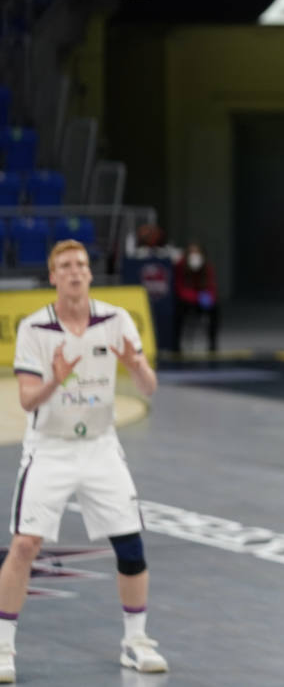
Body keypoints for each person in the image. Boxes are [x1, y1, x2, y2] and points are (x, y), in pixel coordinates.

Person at [0, 240, 167, 679]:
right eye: (65, 266)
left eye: (81, 265)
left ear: (90, 274)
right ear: (53, 277)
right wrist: (56, 379)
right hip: (50, 447)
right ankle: (3, 647)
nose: (75, 272)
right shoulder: (36, 329)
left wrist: (136, 367)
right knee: (23, 546)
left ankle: (135, 641)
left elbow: (149, 387)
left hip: (99, 446)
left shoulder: (116, 319)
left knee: (130, 545)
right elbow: (28, 399)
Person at [172, 242, 218, 353]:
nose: (195, 255)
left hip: (201, 300)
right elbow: (179, 288)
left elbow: (211, 288)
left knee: (215, 309)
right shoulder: (180, 267)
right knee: (178, 310)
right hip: (187, 300)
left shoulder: (207, 267)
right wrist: (195, 297)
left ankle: (212, 344)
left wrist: (208, 299)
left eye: (197, 252)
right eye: (192, 252)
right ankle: (176, 345)